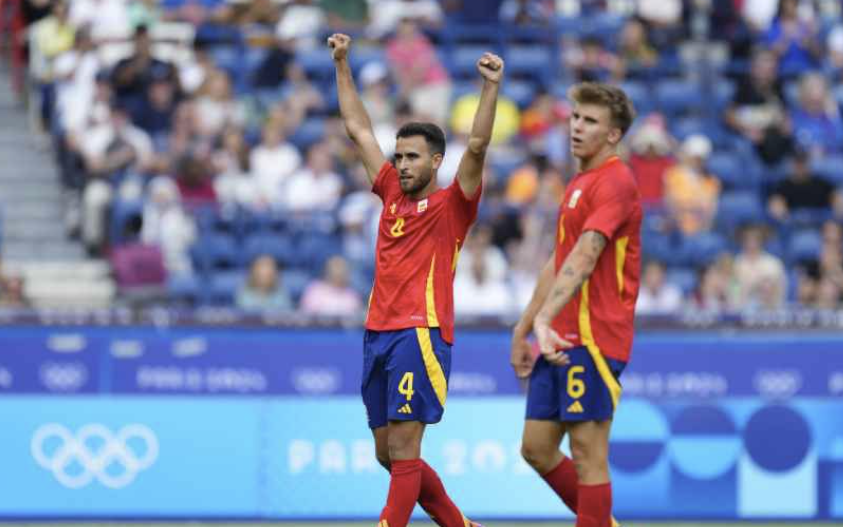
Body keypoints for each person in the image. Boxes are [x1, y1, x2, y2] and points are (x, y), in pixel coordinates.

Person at [329, 32, 502, 527]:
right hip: (378, 331)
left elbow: (479, 144)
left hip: (419, 331)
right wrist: (343, 63)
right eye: (399, 156)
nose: (401, 164)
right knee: (389, 454)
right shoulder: (389, 194)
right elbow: (358, 130)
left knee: (406, 447)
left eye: (412, 157)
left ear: (435, 162)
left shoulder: (454, 205)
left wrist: (489, 88)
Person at [510, 82, 640, 527]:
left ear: (613, 135)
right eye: (576, 117)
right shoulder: (580, 182)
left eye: (591, 121)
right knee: (537, 448)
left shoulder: (617, 181)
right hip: (558, 335)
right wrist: (525, 325)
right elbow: (560, 259)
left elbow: (586, 256)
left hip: (595, 337)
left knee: (588, 455)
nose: (578, 127)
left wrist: (543, 320)